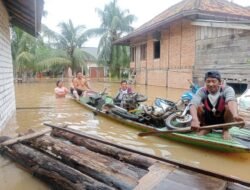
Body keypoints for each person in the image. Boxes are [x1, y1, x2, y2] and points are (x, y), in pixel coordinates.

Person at [189, 71, 244, 140]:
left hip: (223, 120)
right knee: (199, 107)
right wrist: (194, 119)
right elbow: (193, 104)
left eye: (214, 81)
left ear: (220, 82)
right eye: (208, 81)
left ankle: (225, 130)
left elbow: (231, 101)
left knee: (229, 107)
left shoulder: (227, 89)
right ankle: (207, 128)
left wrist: (235, 115)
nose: (210, 84)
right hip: (208, 119)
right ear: (205, 82)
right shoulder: (202, 91)